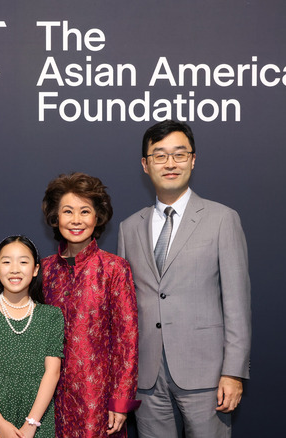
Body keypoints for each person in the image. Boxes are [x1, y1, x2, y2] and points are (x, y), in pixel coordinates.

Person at [117, 120, 251, 438]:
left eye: (179, 154)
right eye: (160, 155)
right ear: (145, 165)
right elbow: (126, 307)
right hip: (146, 374)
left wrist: (233, 372)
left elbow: (237, 303)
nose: (170, 163)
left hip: (206, 373)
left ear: (193, 159)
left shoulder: (222, 219)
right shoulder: (129, 227)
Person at [40, 172, 140, 437]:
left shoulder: (114, 268)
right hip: (47, 399)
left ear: (97, 217)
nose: (76, 220)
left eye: (85, 211)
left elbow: (126, 340)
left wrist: (120, 401)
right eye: (67, 211)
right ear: (55, 217)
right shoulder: (44, 270)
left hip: (96, 401)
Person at [0, 235, 64, 438]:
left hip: (37, 421)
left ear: (35, 269)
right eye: (7, 262)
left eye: (23, 262)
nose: (15, 269)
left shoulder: (51, 316)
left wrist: (32, 423)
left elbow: (52, 373)